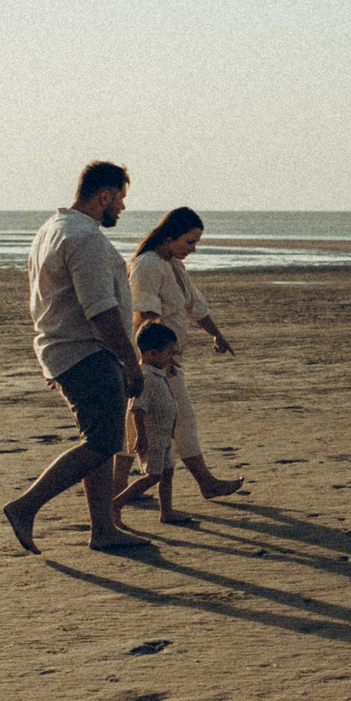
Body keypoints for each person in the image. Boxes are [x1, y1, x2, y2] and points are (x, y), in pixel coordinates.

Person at [2, 160, 151, 554]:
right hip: (87, 352)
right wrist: (130, 360)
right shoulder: (85, 238)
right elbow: (100, 309)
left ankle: (102, 528)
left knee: (101, 438)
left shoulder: (51, 229)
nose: (121, 207)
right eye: (120, 198)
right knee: (102, 442)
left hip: (60, 348)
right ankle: (25, 506)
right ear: (104, 195)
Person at [128, 205, 244, 498]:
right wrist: (151, 360)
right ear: (169, 236)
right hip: (156, 361)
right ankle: (207, 482)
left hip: (167, 359)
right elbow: (144, 315)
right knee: (180, 420)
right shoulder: (148, 264)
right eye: (189, 242)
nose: (192, 249)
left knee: (141, 428)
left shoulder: (174, 265)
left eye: (196, 243)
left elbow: (194, 305)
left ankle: (119, 490)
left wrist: (217, 334)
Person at [115, 322, 196, 525]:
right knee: (152, 476)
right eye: (169, 353)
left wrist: (168, 369)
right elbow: (137, 409)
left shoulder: (157, 373)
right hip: (152, 438)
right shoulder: (145, 378)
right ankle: (116, 503)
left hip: (163, 436)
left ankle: (166, 511)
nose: (173, 358)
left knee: (167, 473)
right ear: (152, 354)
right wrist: (141, 436)